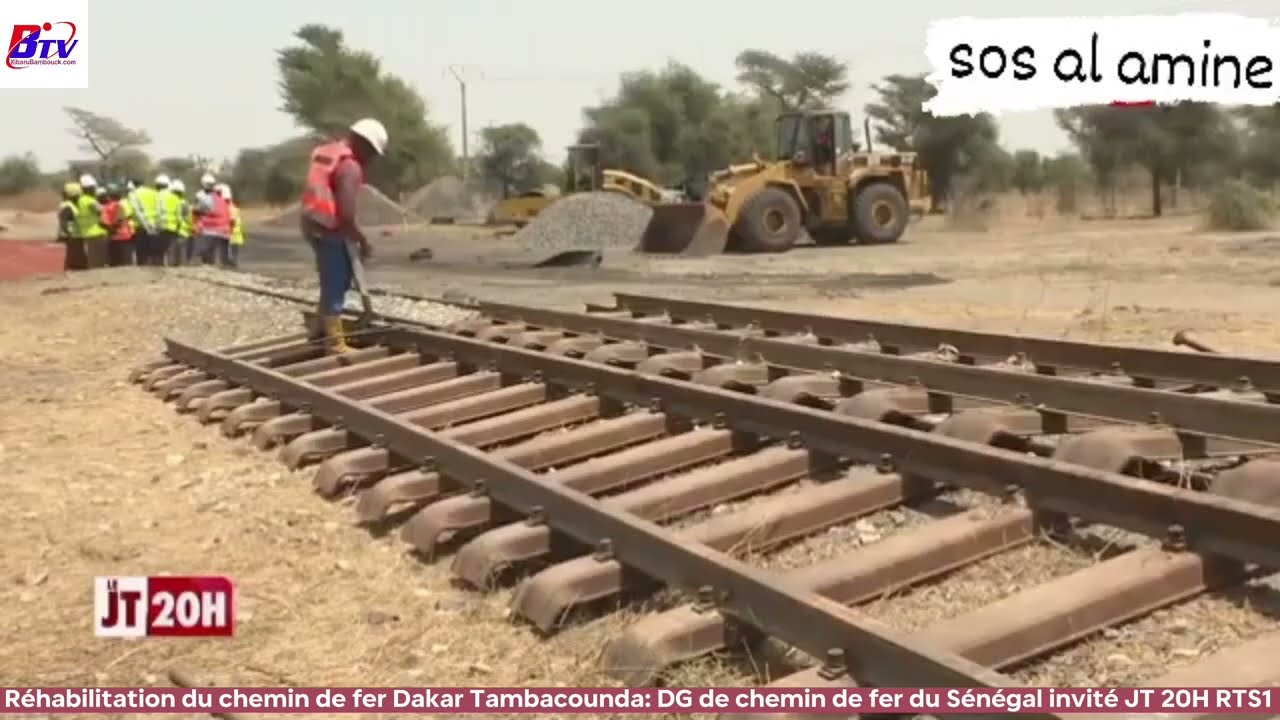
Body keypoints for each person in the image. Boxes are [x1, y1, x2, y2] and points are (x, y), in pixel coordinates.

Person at [299, 117, 387, 354]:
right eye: (372, 153)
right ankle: (335, 343)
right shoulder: (350, 167)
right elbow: (346, 215)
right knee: (337, 280)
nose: (371, 159)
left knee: (331, 278)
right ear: (364, 144)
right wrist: (363, 241)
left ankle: (320, 330)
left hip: (312, 222)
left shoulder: (331, 154)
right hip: (329, 228)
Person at [194, 174, 232, 265]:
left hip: (210, 231)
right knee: (220, 255)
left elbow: (198, 211)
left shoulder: (207, 198)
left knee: (206, 253)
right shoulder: (225, 203)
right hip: (223, 232)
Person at [74, 174, 110, 269]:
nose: (95, 190)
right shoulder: (89, 200)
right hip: (96, 233)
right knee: (98, 262)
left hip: (88, 233)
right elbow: (100, 211)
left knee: (93, 261)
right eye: (93, 188)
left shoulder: (80, 200)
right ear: (89, 188)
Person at [131, 174, 167, 266]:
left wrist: (147, 227)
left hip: (142, 227)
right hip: (156, 226)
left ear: (133, 184)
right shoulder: (153, 192)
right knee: (156, 253)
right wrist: (158, 224)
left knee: (143, 255)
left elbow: (138, 212)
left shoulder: (133, 194)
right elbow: (160, 209)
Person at [101, 183, 137, 266]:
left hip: (112, 238)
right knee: (126, 264)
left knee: (115, 265)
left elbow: (103, 222)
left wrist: (110, 229)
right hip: (125, 237)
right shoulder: (122, 204)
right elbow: (124, 218)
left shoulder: (106, 207)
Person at [57, 182, 86, 270]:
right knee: (76, 260)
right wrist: (69, 233)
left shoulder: (72, 205)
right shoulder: (67, 206)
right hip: (74, 237)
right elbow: (63, 221)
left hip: (76, 236)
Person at [154, 175, 181, 266]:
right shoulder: (175, 198)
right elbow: (179, 215)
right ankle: (171, 268)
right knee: (171, 250)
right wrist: (178, 227)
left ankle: (159, 268)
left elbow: (156, 211)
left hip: (160, 226)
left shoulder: (156, 196)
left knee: (159, 250)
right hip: (173, 227)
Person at [219, 183, 245, 269]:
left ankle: (229, 263)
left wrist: (228, 230)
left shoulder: (229, 207)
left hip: (232, 233)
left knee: (228, 250)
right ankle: (232, 262)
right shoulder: (232, 206)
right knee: (232, 251)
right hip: (234, 233)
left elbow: (232, 221)